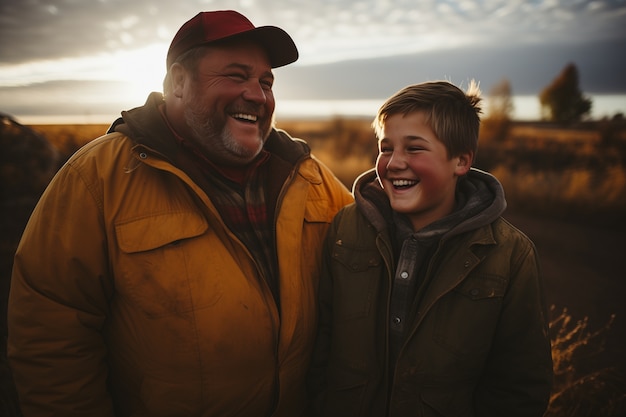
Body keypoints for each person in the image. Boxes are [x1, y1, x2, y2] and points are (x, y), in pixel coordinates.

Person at [7, 10, 352, 417]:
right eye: (236, 76)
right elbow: (51, 336)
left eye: (265, 82)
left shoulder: (306, 176)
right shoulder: (97, 178)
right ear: (177, 83)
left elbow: (378, 253)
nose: (257, 95)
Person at [307, 81, 553, 416]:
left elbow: (519, 385)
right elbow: (320, 346)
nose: (394, 163)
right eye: (386, 147)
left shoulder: (510, 255)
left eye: (414, 148)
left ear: (461, 162)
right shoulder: (346, 229)